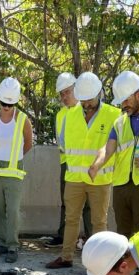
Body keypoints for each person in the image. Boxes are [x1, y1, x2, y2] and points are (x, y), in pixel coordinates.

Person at [46, 72, 120, 269]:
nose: (86, 104)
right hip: (74, 177)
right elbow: (63, 144)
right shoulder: (69, 115)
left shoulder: (114, 115)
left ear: (99, 94)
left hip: (101, 179)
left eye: (90, 99)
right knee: (71, 219)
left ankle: (99, 263)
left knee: (99, 222)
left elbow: (117, 146)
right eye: (84, 99)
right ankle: (66, 257)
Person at [88, 71, 139, 238]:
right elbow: (108, 148)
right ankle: (124, 263)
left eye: (126, 100)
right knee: (122, 233)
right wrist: (96, 165)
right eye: (121, 102)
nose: (123, 106)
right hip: (122, 184)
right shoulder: (120, 122)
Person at [0, 77, 33, 264]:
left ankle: (13, 246)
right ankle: (1, 243)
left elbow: (28, 144)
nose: (6, 106)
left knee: (12, 211)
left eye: (10, 103)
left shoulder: (23, 120)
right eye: (3, 103)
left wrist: (14, 160)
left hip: (14, 173)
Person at [46, 72, 90, 248]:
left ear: (76, 90)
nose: (64, 96)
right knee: (66, 201)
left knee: (88, 205)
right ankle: (64, 236)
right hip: (67, 163)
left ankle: (91, 238)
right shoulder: (60, 115)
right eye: (62, 94)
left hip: (86, 164)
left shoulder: (86, 111)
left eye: (67, 92)